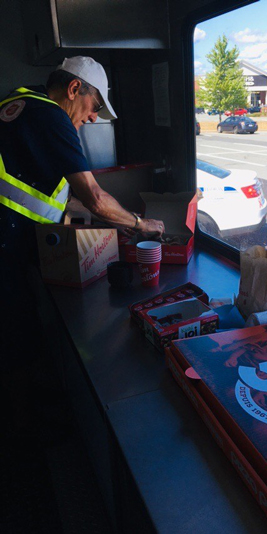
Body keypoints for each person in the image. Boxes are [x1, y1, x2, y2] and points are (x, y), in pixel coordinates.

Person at [0, 56, 164, 433]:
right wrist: (139, 223)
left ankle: (28, 415)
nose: (93, 118)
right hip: (4, 247)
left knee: (19, 332)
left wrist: (107, 218)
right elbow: (92, 195)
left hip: (11, 241)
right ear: (74, 89)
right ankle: (27, 441)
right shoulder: (51, 116)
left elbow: (59, 197)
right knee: (14, 336)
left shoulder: (20, 104)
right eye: (94, 107)